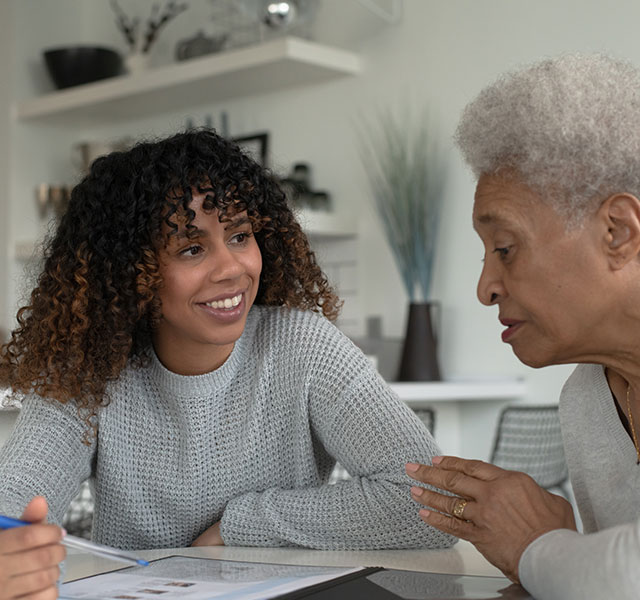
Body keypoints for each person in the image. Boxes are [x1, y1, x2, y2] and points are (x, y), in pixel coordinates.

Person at [0, 129, 454, 599]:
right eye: (192, 249)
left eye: (239, 235)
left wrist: (242, 524)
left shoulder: (304, 346)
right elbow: (14, 497)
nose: (232, 268)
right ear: (132, 273)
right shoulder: (89, 369)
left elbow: (436, 503)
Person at [406, 53, 640, 599]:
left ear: (618, 232)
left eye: (505, 248)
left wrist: (535, 542)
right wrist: (559, 548)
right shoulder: (587, 399)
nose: (485, 287)